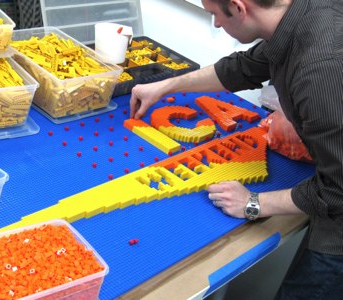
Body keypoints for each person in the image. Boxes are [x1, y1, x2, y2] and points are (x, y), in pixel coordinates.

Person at [129, 0, 343, 298]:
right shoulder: (299, 17)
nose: (216, 24)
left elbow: (336, 191)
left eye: (215, 14)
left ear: (239, 7)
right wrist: (167, 85)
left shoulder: (320, 70)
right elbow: (241, 68)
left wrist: (253, 203)